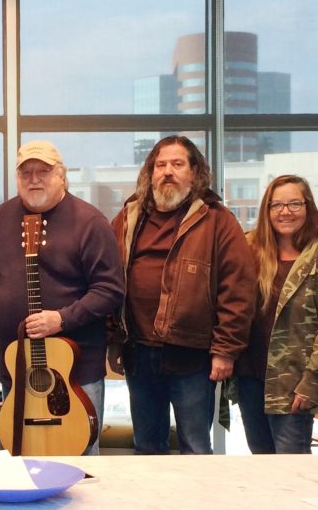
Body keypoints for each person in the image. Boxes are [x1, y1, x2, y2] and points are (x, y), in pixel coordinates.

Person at [109, 135, 256, 455]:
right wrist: (112, 340)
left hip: (193, 355)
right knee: (146, 446)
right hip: (139, 352)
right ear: (151, 172)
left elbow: (238, 290)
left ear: (194, 172)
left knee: (195, 448)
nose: (168, 172)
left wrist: (226, 350)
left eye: (177, 164)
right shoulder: (129, 216)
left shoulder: (217, 220)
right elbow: (107, 276)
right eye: (160, 165)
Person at [0, 140, 124, 455]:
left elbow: (110, 289)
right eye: (26, 172)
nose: (34, 179)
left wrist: (62, 318)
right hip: (17, 368)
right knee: (24, 460)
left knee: (82, 461)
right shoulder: (2, 218)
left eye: (43, 171)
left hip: (75, 372)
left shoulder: (89, 222)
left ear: (62, 175)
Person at [234, 175, 318, 454]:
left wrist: (313, 381)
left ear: (307, 207)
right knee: (260, 462)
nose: (285, 212)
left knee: (290, 469)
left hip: (294, 381)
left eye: (294, 203)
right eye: (277, 205)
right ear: (266, 210)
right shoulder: (249, 248)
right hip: (250, 375)